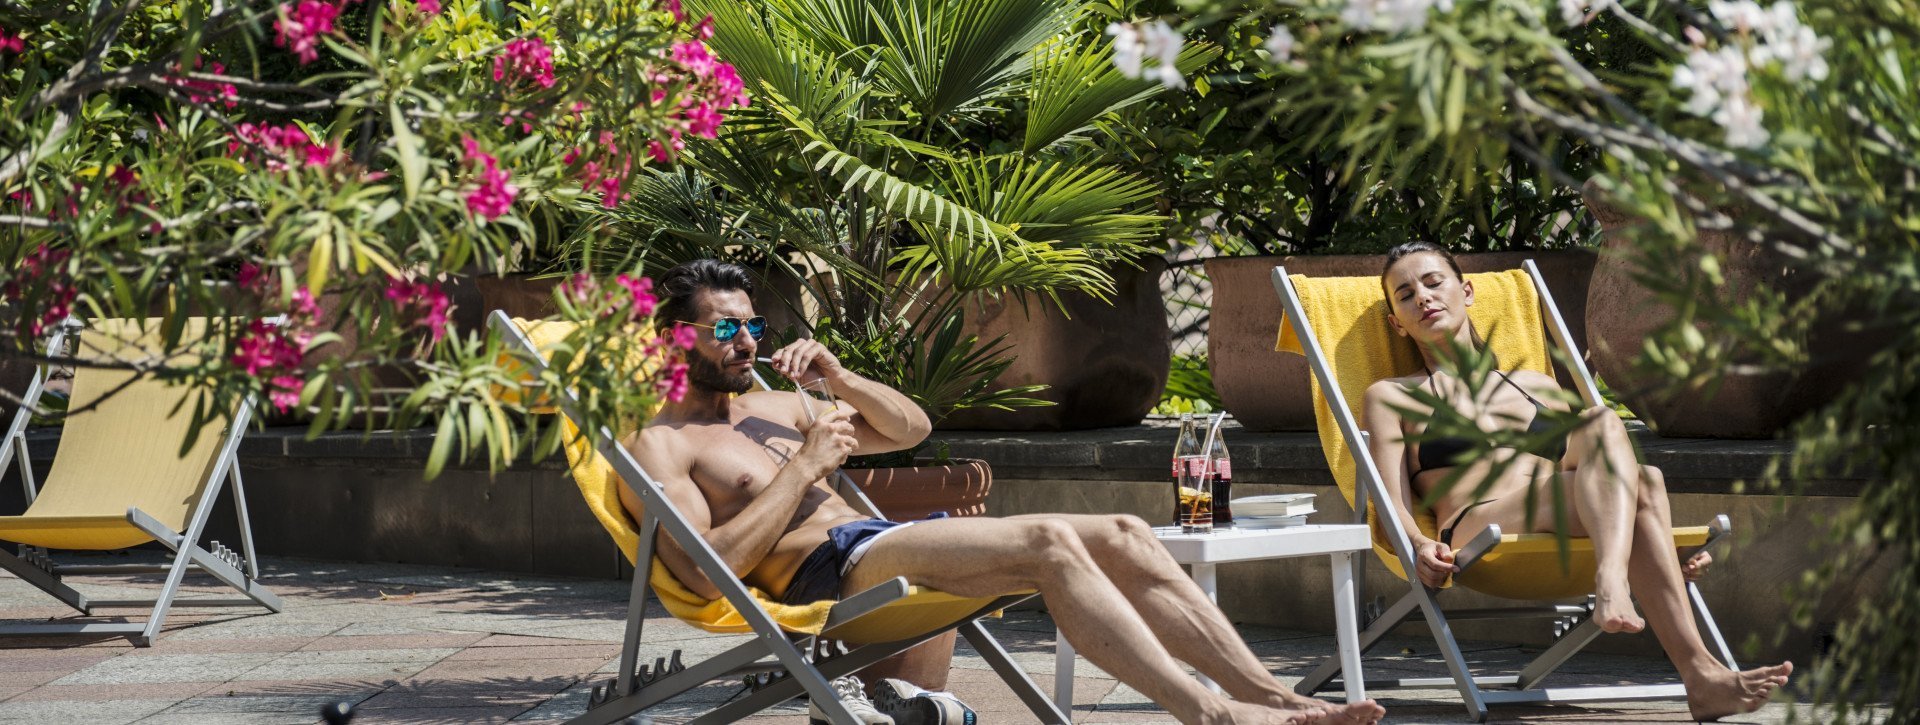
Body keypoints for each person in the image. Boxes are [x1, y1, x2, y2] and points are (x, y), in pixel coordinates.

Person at [622, 259, 1385, 725]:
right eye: (725, 331)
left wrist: (839, 380)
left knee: (1121, 529)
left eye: (751, 325)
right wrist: (803, 468)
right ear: (675, 338)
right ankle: (1209, 711)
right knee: (1049, 543)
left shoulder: (781, 404)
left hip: (874, 545)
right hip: (828, 570)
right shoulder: (664, 440)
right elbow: (701, 568)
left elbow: (909, 426)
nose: (747, 342)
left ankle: (1272, 697)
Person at [1363, 241, 1793, 720]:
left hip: (1560, 516)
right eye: (1404, 295)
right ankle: (1620, 585)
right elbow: (1389, 497)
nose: (1422, 297)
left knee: (1621, 447)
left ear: (1466, 292)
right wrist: (1419, 545)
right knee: (1639, 477)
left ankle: (1699, 676)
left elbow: (1599, 474)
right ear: (1396, 322)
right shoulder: (1392, 396)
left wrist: (1655, 550)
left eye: (1433, 282)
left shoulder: (1536, 387)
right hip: (1477, 532)